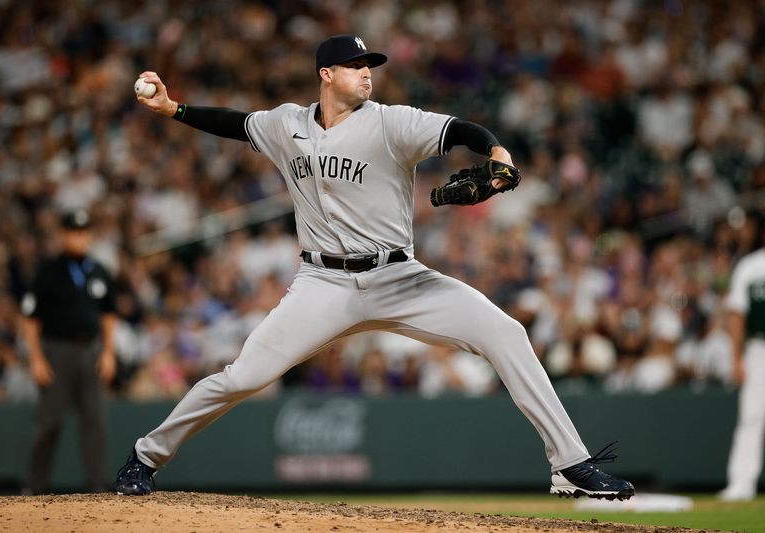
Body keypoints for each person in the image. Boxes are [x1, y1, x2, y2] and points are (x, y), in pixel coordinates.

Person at [114, 35, 634, 499]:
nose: (366, 72)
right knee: (241, 378)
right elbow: (233, 123)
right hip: (322, 283)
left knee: (507, 332)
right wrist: (173, 109)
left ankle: (571, 464)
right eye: (355, 64)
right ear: (326, 74)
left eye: (370, 65)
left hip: (400, 279)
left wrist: (496, 150)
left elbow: (460, 129)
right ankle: (144, 458)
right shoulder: (285, 124)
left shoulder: (392, 122)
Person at [20, 209, 117, 494]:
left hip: (91, 349)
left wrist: (109, 352)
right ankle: (35, 485)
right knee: (49, 422)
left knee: (95, 420)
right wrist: (36, 358)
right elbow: (30, 318)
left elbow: (108, 315)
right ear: (63, 234)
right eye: (74, 232)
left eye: (84, 232)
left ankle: (97, 483)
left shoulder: (99, 271)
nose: (79, 237)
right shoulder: (48, 271)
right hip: (57, 350)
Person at [719, 223, 765, 502]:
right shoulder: (751, 266)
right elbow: (736, 314)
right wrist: (736, 357)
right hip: (758, 348)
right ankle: (741, 483)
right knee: (751, 416)